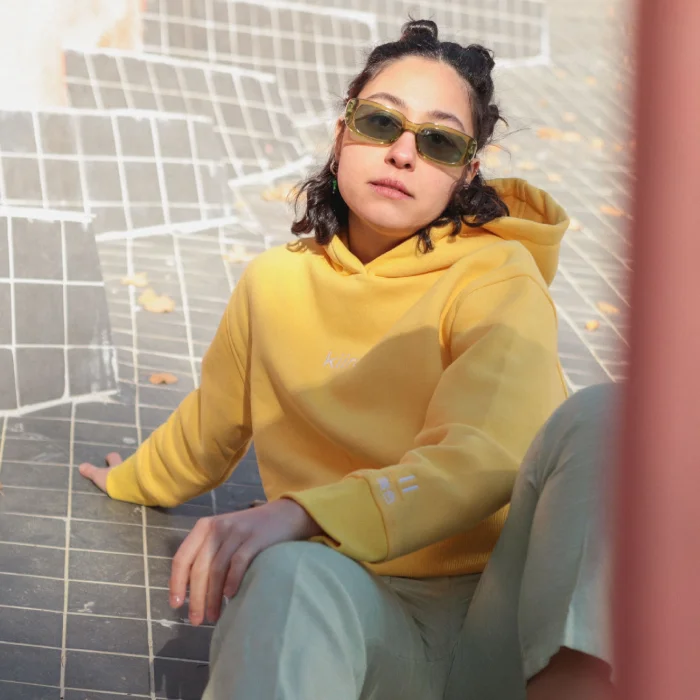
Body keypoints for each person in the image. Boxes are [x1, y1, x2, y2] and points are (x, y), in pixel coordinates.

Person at [79, 19, 615, 700]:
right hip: (358, 619)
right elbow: (210, 425)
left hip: (501, 632)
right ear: (341, 137)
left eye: (440, 141)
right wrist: (132, 478)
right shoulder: (275, 283)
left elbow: (489, 455)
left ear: (466, 173)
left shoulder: (498, 278)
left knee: (610, 416)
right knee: (286, 573)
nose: (403, 153)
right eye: (380, 123)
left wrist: (302, 512)